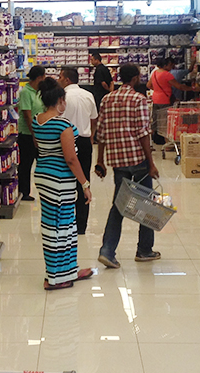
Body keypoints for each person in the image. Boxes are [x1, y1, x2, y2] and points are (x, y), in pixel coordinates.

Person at [94, 63, 160, 267]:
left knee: (119, 205)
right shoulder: (139, 99)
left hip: (117, 162)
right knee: (146, 205)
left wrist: (100, 160)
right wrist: (151, 163)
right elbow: (143, 134)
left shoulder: (107, 99)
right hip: (138, 160)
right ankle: (144, 250)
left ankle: (107, 250)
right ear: (135, 78)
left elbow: (101, 132)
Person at [31, 77, 94, 290]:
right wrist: (85, 184)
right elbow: (70, 159)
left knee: (59, 225)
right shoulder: (62, 124)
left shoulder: (37, 120)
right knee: (60, 228)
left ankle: (67, 271)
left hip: (43, 176)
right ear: (59, 100)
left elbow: (42, 148)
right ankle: (54, 278)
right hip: (60, 181)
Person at [58, 66, 98, 235]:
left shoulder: (62, 97)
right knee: (84, 181)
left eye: (60, 77)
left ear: (67, 80)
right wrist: (90, 136)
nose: (58, 80)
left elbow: (58, 120)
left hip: (66, 142)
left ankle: (65, 224)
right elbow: (94, 119)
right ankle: (81, 225)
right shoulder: (88, 95)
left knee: (64, 182)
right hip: (84, 141)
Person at [17, 65, 47, 201]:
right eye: (44, 76)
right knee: (26, 164)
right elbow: (28, 116)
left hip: (40, 133)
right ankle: (24, 192)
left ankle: (45, 189)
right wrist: (34, 135)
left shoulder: (39, 91)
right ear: (39, 77)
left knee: (42, 163)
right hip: (27, 135)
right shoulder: (25, 92)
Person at [150, 58, 196, 145]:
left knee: (156, 120)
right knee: (167, 122)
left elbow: (148, 85)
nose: (172, 67)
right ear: (165, 65)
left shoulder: (155, 73)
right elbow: (179, 86)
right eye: (171, 65)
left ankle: (153, 140)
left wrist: (158, 90)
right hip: (165, 100)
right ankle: (167, 142)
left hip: (155, 99)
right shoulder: (167, 75)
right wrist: (193, 89)